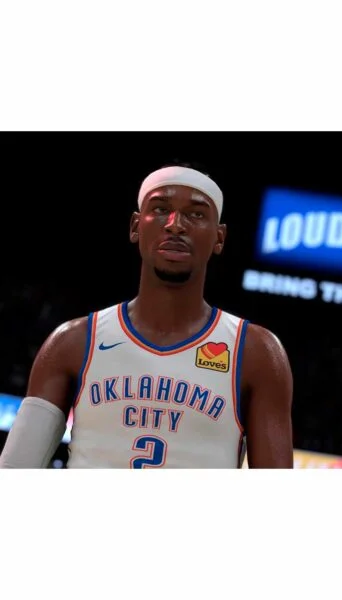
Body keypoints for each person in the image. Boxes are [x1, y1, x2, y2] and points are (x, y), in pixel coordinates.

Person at [0, 163, 294, 468]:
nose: (176, 225)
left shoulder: (256, 352)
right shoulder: (72, 343)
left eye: (196, 214)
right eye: (161, 209)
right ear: (135, 226)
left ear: (219, 238)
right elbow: (14, 471)